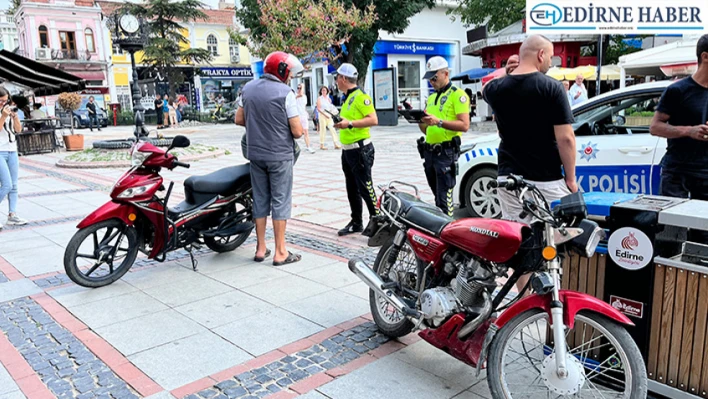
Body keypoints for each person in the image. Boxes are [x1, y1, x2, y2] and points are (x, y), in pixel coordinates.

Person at [482, 35, 577, 292]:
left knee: (521, 242)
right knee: (565, 237)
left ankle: (524, 304)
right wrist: (570, 178)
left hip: (509, 178)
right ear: (540, 55)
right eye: (551, 56)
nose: (551, 62)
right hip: (546, 178)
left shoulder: (497, 89)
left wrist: (507, 69)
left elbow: (485, 87)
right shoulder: (551, 88)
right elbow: (566, 138)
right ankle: (556, 298)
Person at [235, 51, 304, 266]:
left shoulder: (247, 88)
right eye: (289, 72)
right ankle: (281, 251)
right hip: (280, 156)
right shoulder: (286, 93)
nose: (291, 76)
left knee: (261, 200)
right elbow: (297, 131)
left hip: (256, 155)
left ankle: (260, 248)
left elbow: (239, 119)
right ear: (281, 70)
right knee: (280, 201)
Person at [650, 34, 708, 243]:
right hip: (677, 171)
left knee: (703, 238)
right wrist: (689, 131)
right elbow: (655, 126)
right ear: (705, 56)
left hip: (706, 172)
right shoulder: (678, 90)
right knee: (671, 235)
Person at [417, 56, 470, 216]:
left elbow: (464, 125)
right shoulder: (432, 97)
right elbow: (427, 129)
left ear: (445, 74)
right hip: (430, 153)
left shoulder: (458, 95)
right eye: (429, 79)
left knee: (445, 201)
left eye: (434, 78)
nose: (431, 82)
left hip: (446, 154)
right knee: (437, 200)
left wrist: (439, 122)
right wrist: (419, 120)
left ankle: (448, 236)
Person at [332, 63, 379, 236]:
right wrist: (342, 122)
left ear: (343, 78)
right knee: (351, 187)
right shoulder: (347, 97)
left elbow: (373, 119)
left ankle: (378, 221)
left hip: (360, 150)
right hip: (348, 150)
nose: (336, 81)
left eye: (337, 78)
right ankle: (356, 221)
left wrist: (349, 124)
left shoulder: (361, 97)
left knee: (366, 187)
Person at [0, 88, 28, 229]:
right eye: (1, 100)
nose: (3, 103)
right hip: (0, 151)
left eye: (5, 100)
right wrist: (3, 117)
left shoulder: (8, 110)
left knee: (14, 185)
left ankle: (12, 214)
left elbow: (18, 130)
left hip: (12, 150)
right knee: (6, 185)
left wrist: (15, 118)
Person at [295, 83, 315, 153]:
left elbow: (304, 106)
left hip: (303, 115)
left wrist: (306, 113)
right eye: (298, 88)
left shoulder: (304, 96)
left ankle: (308, 146)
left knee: (306, 132)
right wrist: (302, 86)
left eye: (300, 88)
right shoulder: (295, 95)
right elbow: (299, 95)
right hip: (297, 116)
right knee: (296, 133)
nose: (299, 89)